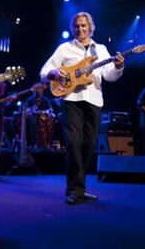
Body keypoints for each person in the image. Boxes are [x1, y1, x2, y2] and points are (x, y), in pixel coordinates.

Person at [40, 12, 125, 205]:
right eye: (77, 26)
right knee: (73, 142)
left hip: (94, 100)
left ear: (90, 27)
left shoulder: (101, 50)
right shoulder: (65, 48)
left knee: (88, 144)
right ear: (73, 28)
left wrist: (118, 67)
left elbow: (109, 76)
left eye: (84, 26)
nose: (80, 29)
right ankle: (74, 189)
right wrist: (54, 73)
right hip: (71, 98)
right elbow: (44, 72)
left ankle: (81, 188)